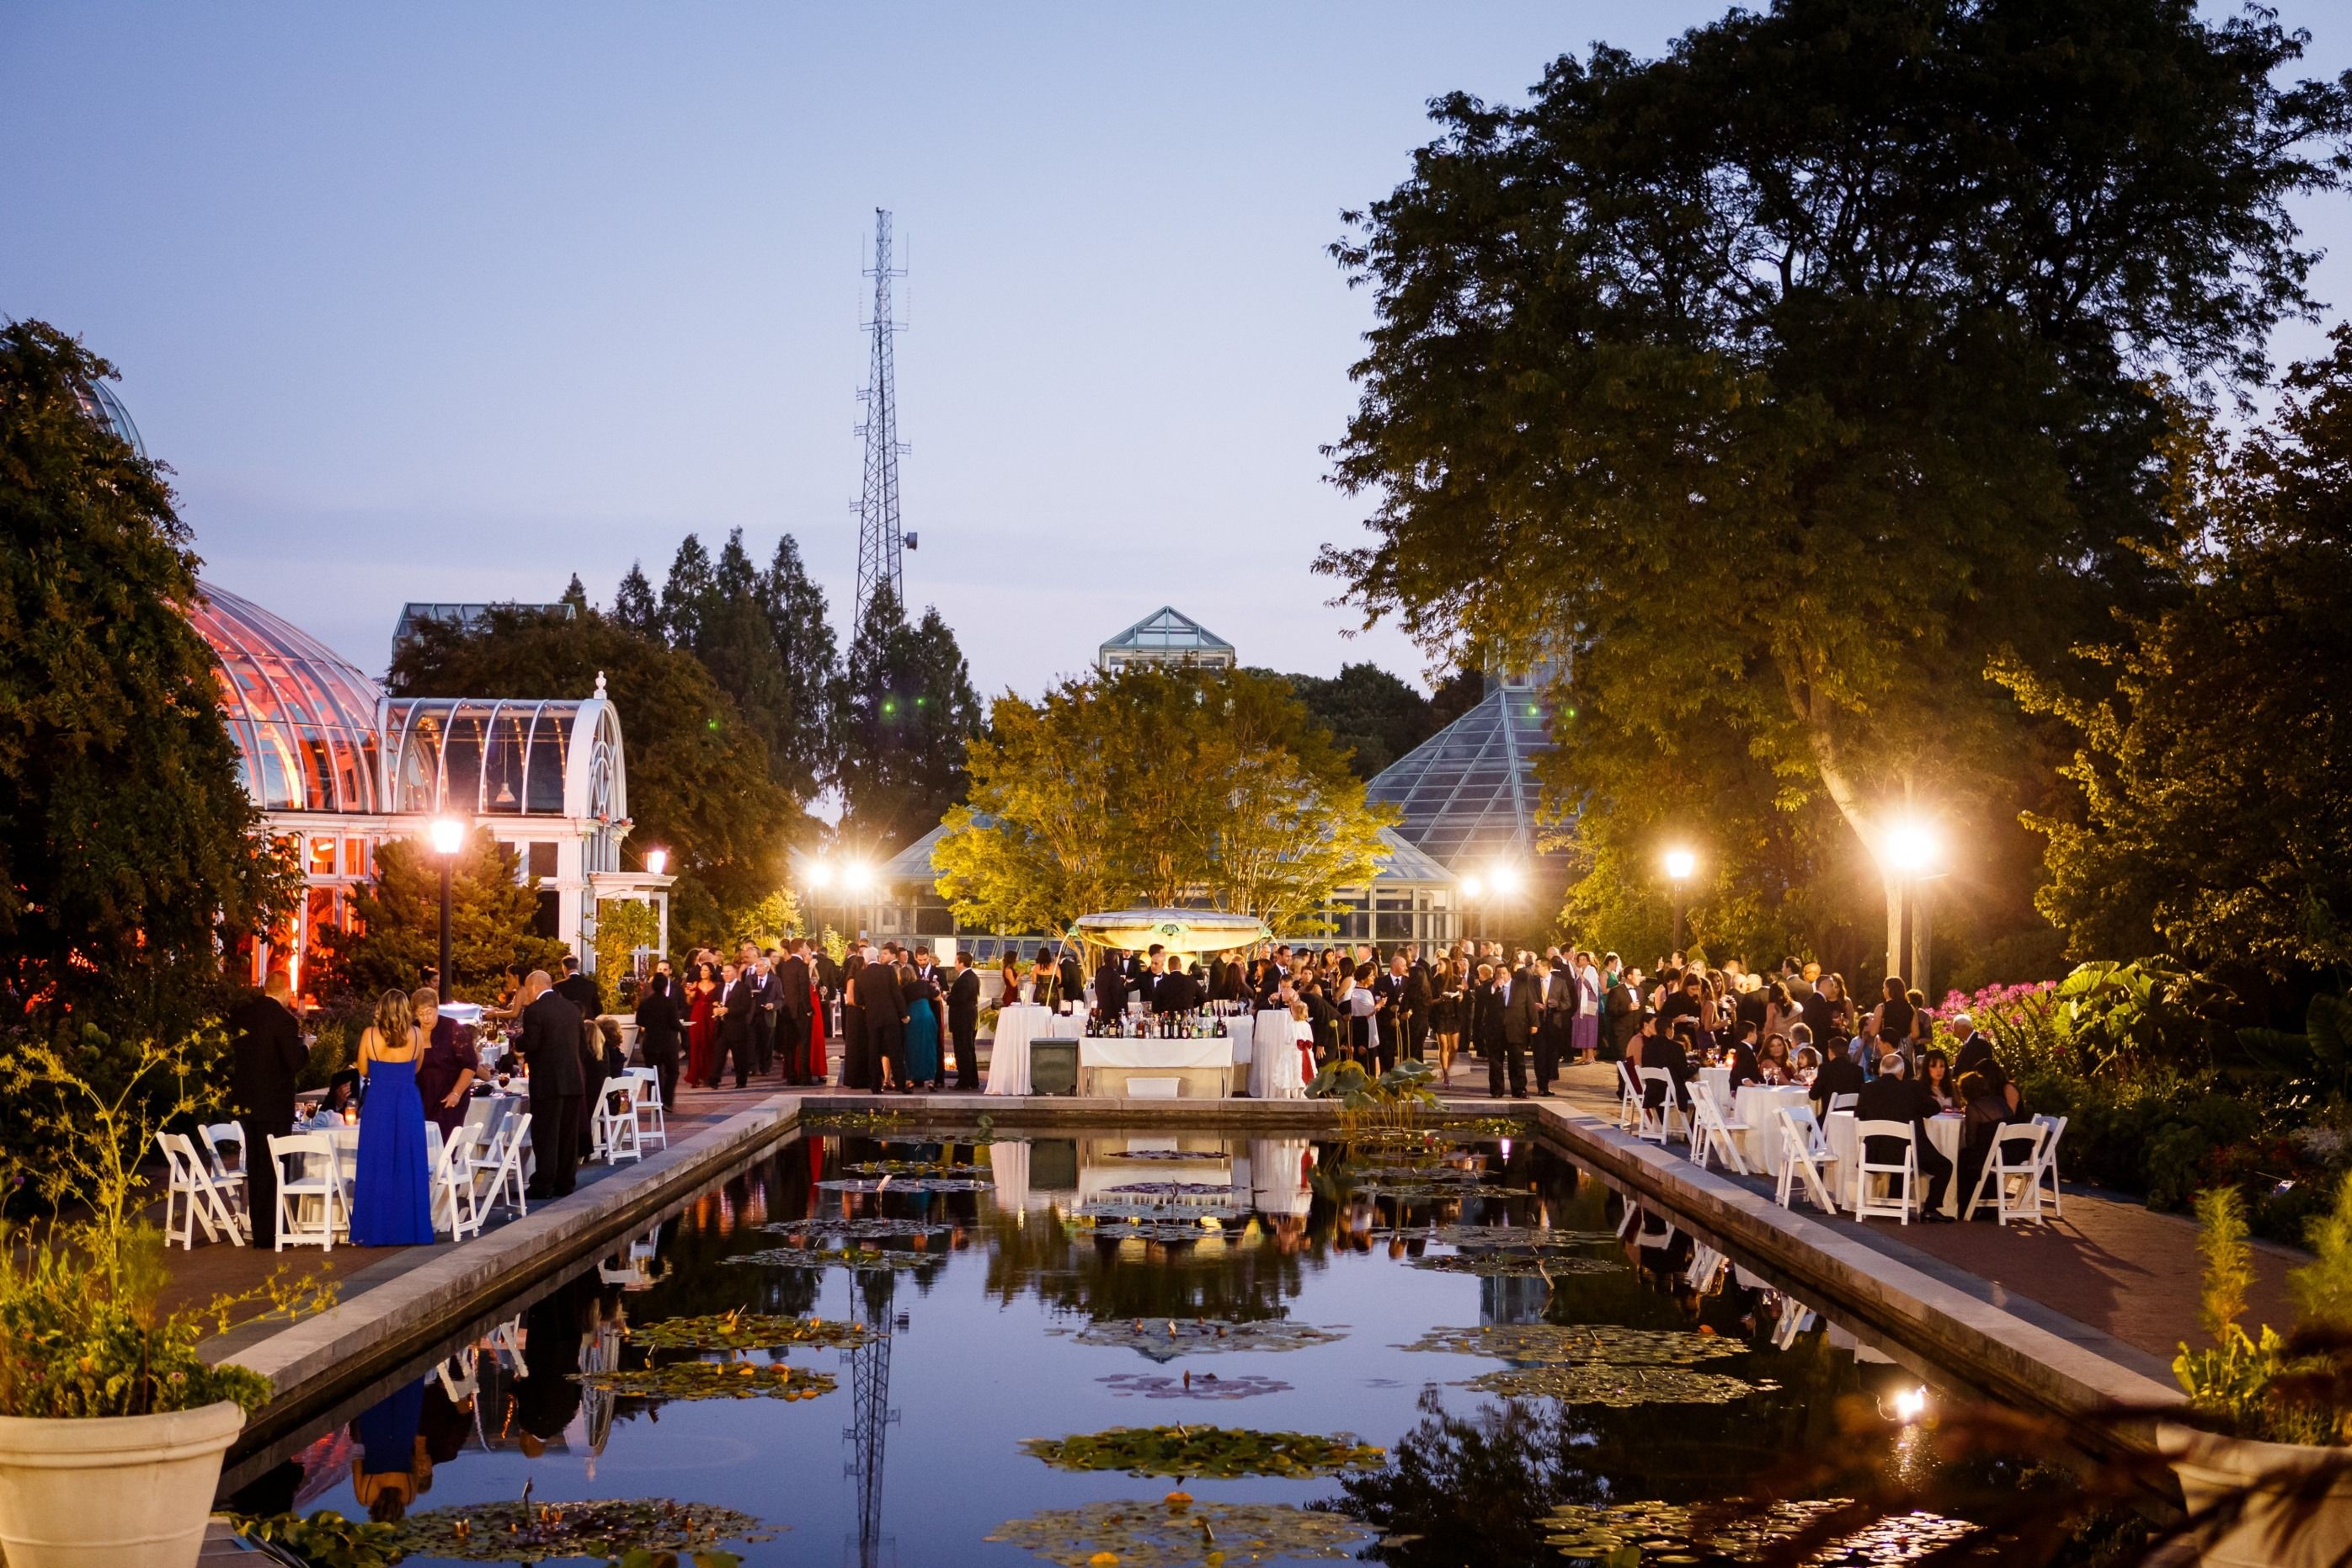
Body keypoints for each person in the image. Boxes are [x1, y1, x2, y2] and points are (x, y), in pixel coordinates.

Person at [227, 973, 307, 1249]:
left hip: (248, 1104)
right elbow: (293, 1061)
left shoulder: (242, 1016)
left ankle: (259, 1231)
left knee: (257, 1167)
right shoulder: (285, 1021)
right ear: (286, 991)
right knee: (276, 1168)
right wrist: (306, 1047)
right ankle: (275, 1233)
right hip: (275, 1106)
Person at [351, 989, 435, 1245]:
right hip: (408, 1100)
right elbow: (417, 1067)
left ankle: (375, 1229)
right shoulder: (418, 1034)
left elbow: (363, 1070)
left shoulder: (370, 1035)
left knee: (377, 1161)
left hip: (378, 1101)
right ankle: (409, 1229)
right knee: (408, 1162)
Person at [1855, 1053, 1952, 1219]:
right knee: (1945, 1166)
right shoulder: (1911, 1089)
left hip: (1874, 1153)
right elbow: (1933, 1109)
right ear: (1901, 1072)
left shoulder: (1867, 1089)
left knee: (1896, 1153)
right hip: (1909, 1153)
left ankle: (1894, 1202)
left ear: (1880, 1072)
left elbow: (1859, 1116)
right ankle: (1930, 1208)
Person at [518, 972, 584, 1200]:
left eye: (527, 989)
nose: (527, 993)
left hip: (547, 1082)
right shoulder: (572, 1009)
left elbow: (532, 1043)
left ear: (534, 987)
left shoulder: (535, 1011)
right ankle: (565, 1182)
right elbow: (582, 1046)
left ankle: (543, 1184)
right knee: (567, 1134)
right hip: (573, 1080)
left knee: (546, 1133)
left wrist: (517, 1041)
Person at [1956, 1072, 2032, 1218]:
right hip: (2018, 1150)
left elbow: (1971, 1140)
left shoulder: (1974, 1108)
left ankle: (1967, 1206)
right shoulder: (1999, 1100)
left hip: (1999, 1154)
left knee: (1965, 1157)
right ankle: (1988, 1203)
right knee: (1980, 1157)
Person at [412, 987, 477, 1140]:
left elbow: (470, 1064)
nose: (426, 1018)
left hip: (449, 1098)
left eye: (429, 1012)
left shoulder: (452, 1028)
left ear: (437, 1008)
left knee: (445, 1144)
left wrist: (456, 1093)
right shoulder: (412, 1030)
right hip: (421, 1098)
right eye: (421, 1014)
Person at [634, 969, 684, 1112]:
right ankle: (667, 1100)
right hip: (668, 1042)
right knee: (673, 1071)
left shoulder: (645, 1002)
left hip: (650, 1042)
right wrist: (683, 1029)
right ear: (665, 987)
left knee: (653, 1073)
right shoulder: (670, 1002)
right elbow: (674, 1022)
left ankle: (654, 1101)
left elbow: (640, 1021)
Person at [864, 950, 908, 1091]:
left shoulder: (861, 975)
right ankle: (901, 1085)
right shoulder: (888, 970)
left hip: (872, 1018)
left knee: (873, 1052)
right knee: (895, 1051)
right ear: (877, 958)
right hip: (890, 1016)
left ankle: (875, 1086)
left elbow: (859, 999)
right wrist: (903, 1014)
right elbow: (896, 993)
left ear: (865, 960)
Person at [777, 941, 814, 1085]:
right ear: (800, 949)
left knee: (790, 1046)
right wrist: (809, 1009)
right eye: (805, 947)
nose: (807, 949)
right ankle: (805, 1077)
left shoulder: (784, 965)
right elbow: (804, 990)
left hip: (787, 1010)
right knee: (805, 1044)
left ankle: (791, 1076)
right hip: (800, 1010)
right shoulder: (801, 966)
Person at [902, 961, 942, 1091]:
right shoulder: (924, 984)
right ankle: (931, 1080)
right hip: (927, 1015)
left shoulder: (902, 988)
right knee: (929, 1047)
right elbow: (937, 997)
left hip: (912, 1017)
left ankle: (910, 1079)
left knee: (911, 1048)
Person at [948, 952, 983, 1090]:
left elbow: (960, 998)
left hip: (962, 1018)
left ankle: (964, 1081)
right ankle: (972, 1079)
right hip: (968, 1016)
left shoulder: (965, 979)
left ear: (961, 963)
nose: (954, 964)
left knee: (962, 1049)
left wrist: (947, 998)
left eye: (956, 961)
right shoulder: (972, 976)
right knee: (969, 1049)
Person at [841, 952, 871, 1091]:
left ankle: (865, 1077)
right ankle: (855, 1078)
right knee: (855, 1046)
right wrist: (863, 1005)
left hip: (863, 1014)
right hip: (855, 1014)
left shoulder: (864, 978)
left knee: (864, 1046)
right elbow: (851, 1000)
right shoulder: (852, 979)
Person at [685, 961, 717, 1089]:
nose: (703, 972)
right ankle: (694, 1076)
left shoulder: (716, 985)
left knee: (709, 1045)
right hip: (697, 1015)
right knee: (696, 1045)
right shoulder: (696, 984)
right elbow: (689, 1002)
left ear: (711, 972)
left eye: (705, 970)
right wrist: (690, 996)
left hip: (710, 1017)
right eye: (701, 970)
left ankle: (708, 1075)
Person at [1809, 1043, 1865, 1113]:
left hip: (1829, 1119)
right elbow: (1862, 1095)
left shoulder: (1825, 1069)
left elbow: (1813, 1095)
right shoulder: (1858, 1070)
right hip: (1851, 1118)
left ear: (1831, 1052)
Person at [1948, 1013, 1997, 1081]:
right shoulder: (1969, 1042)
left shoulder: (1979, 1042)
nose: (1955, 1032)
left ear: (1964, 1027)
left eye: (1956, 1028)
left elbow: (1978, 1067)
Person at [554, 956, 602, 1021]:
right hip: (587, 1024)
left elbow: (556, 1008)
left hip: (568, 1024)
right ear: (577, 967)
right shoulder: (591, 985)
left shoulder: (558, 986)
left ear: (564, 968)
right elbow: (598, 1009)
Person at [1093, 948, 1130, 1023]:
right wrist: (1124, 1015)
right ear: (1116, 959)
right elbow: (1119, 999)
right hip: (1112, 1018)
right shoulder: (1114, 976)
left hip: (1101, 1015)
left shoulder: (1100, 974)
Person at [1920, 1048, 1960, 1112]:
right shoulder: (1920, 1089)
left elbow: (1958, 1109)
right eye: (1933, 1066)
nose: (1938, 1070)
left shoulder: (1950, 1088)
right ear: (1926, 1068)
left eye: (1942, 1066)